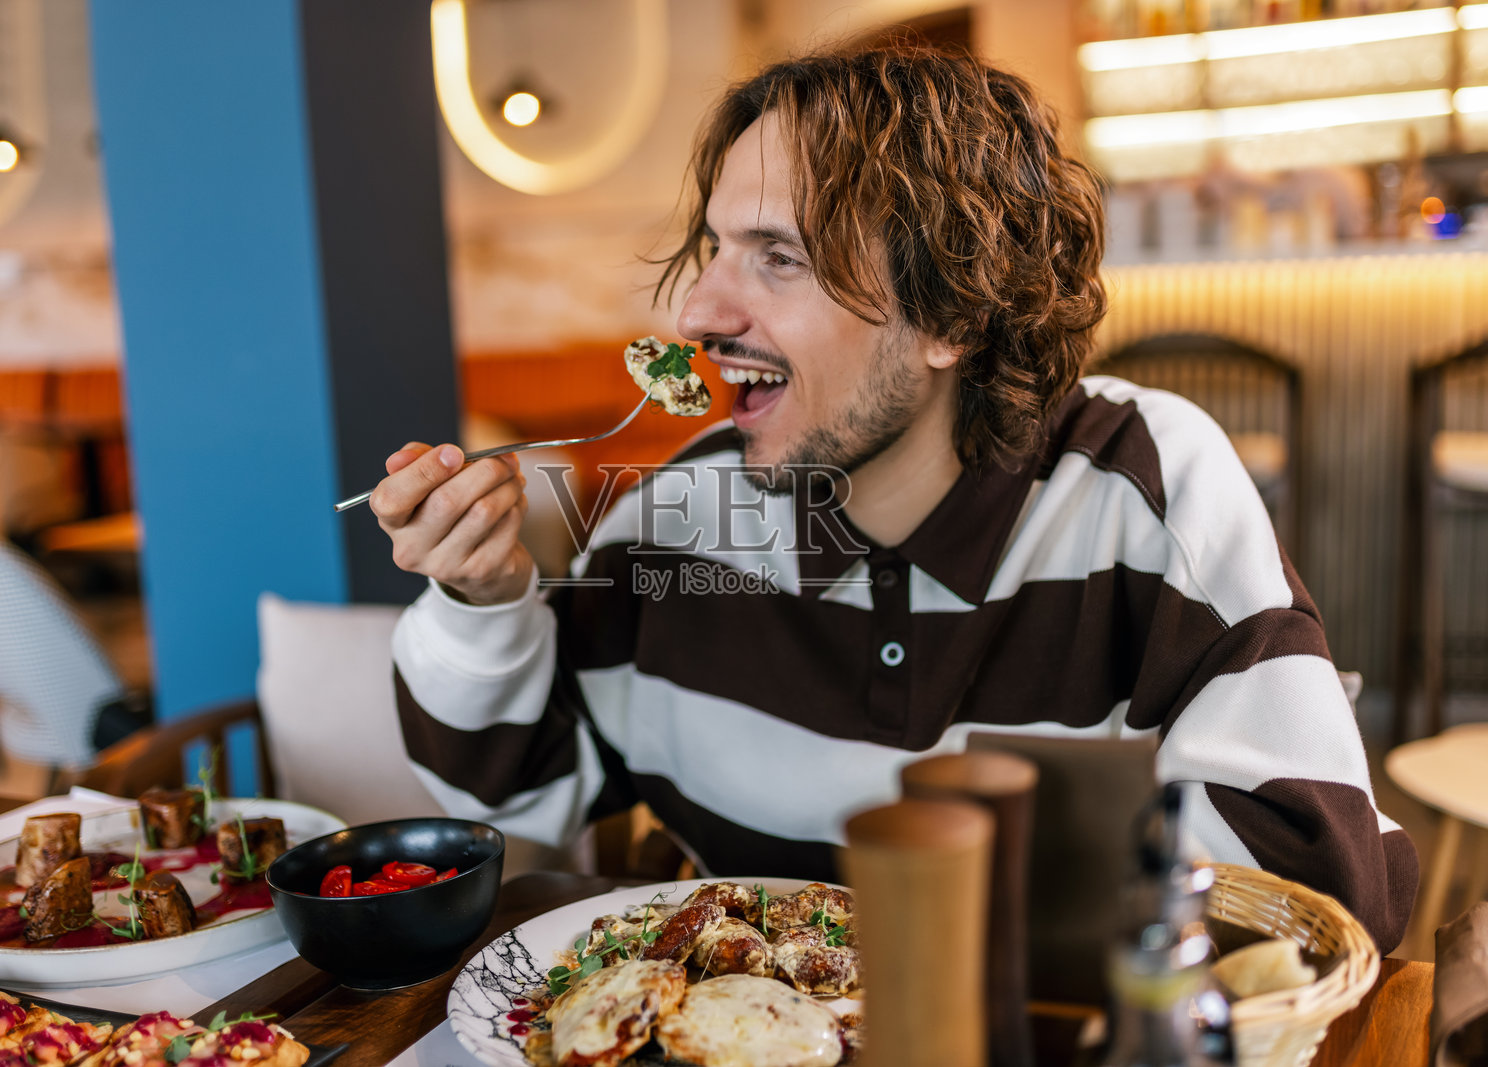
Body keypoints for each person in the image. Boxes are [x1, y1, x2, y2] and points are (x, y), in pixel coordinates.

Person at [371, 46, 1417, 953]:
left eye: (777, 257)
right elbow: (518, 794)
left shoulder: (1143, 486)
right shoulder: (681, 510)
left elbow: (1315, 894)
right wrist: (482, 595)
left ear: (950, 311)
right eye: (714, 249)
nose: (696, 308)